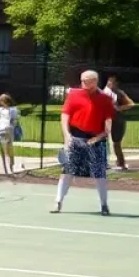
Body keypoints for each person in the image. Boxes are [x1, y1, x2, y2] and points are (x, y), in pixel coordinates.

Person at [52, 69, 115, 216]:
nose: (82, 83)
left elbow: (108, 123)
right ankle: (58, 202)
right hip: (76, 137)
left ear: (94, 81)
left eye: (86, 81)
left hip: (96, 139)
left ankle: (104, 205)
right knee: (67, 171)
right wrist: (67, 135)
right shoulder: (74, 95)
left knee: (100, 174)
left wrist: (99, 137)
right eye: (82, 80)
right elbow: (65, 115)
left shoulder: (106, 99)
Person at [103, 75, 135, 171]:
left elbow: (131, 104)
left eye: (112, 82)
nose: (110, 84)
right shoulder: (103, 92)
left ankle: (121, 163)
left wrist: (119, 108)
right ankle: (103, 163)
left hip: (117, 121)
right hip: (105, 120)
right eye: (109, 82)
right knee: (101, 142)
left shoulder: (119, 93)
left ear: (116, 84)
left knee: (116, 143)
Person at [0, 93, 20, 177]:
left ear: (3, 101)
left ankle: (10, 169)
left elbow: (14, 121)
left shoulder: (11, 110)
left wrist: (11, 127)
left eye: (0, 100)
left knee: (7, 151)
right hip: (3, 131)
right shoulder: (0, 110)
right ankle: (7, 169)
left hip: (6, 131)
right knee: (4, 150)